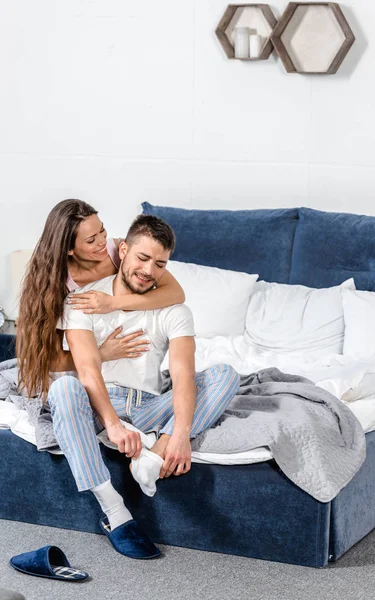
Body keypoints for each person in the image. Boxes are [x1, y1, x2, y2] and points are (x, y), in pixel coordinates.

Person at [47, 214, 240, 558]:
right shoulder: (84, 301)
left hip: (151, 405)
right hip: (100, 403)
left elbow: (182, 374)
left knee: (225, 374)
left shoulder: (174, 310)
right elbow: (88, 371)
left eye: (160, 263)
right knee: (64, 390)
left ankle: (153, 454)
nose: (150, 270)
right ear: (122, 250)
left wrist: (178, 435)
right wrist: (113, 426)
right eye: (142, 257)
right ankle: (116, 513)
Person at [17, 199, 185, 399]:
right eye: (91, 240)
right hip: (85, 367)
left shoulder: (121, 252)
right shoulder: (56, 284)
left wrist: (112, 303)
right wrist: (101, 354)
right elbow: (51, 359)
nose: (102, 241)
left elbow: (176, 293)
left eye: (102, 231)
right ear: (69, 249)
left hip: (134, 370)